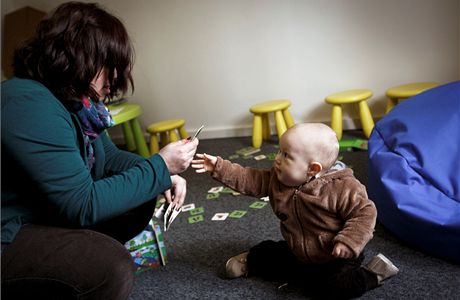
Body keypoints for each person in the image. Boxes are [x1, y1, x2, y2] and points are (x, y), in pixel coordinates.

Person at [1, 2, 198, 299]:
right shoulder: (27, 103)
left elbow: (111, 159)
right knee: (111, 267)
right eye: (110, 66)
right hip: (8, 232)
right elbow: (82, 204)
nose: (115, 80)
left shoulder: (76, 104)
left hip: (39, 211)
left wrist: (161, 174)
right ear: (81, 57)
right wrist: (159, 166)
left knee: (140, 196)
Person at [192, 123, 398, 299]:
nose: (277, 159)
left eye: (286, 155)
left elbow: (365, 212)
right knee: (270, 253)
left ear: (313, 169)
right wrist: (219, 167)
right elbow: (248, 178)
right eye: (280, 151)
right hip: (298, 250)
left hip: (336, 256)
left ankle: (373, 274)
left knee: (339, 286)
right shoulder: (277, 179)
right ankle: (252, 261)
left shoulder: (342, 187)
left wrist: (348, 241)